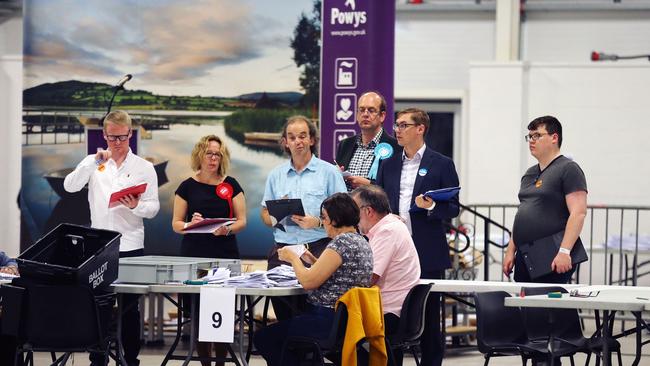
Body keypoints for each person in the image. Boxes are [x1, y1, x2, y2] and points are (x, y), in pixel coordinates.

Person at [64, 110, 160, 366]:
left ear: (130, 134)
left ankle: (130, 360)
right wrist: (91, 162)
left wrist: (134, 206)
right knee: (98, 308)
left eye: (122, 137)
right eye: (111, 137)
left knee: (130, 311)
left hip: (131, 246)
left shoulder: (144, 167)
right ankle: (98, 360)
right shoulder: (94, 163)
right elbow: (70, 186)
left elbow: (153, 208)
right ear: (104, 135)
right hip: (99, 248)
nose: (117, 143)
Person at [376, 107, 460, 366]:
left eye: (403, 125)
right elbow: (378, 203)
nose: (397, 130)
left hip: (427, 249)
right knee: (393, 314)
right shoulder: (388, 163)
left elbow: (454, 207)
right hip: (394, 251)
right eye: (397, 125)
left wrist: (432, 206)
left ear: (420, 129)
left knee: (430, 315)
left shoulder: (441, 163)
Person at [254, 193, 373, 366]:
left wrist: (293, 258)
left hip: (328, 319)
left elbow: (309, 282)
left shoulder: (340, 243)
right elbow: (341, 275)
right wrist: (313, 261)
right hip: (347, 319)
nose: (322, 222)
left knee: (264, 338)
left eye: (324, 218)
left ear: (334, 219)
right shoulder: (360, 241)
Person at [261, 115, 347, 320]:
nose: (297, 141)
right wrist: (276, 215)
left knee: (314, 314)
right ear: (285, 142)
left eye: (302, 136)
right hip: (282, 251)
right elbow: (264, 215)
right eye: (292, 137)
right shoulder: (276, 175)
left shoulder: (329, 173)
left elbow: (345, 215)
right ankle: (290, 352)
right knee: (284, 316)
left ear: (312, 140)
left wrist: (317, 221)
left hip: (318, 249)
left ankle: (312, 352)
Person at [172, 134, 246, 366]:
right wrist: (189, 225)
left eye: (217, 154)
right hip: (195, 257)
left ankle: (221, 363)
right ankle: (205, 363)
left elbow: (242, 221)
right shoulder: (186, 186)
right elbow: (176, 224)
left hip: (224, 256)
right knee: (199, 315)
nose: (213, 158)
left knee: (222, 313)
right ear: (200, 155)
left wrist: (228, 230)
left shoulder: (231, 184)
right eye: (209, 153)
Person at [503, 116, 588, 284]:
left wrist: (564, 251)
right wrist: (510, 250)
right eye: (529, 137)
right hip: (525, 255)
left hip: (552, 254)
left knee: (550, 309)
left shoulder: (568, 169)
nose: (531, 141)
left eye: (537, 135)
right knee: (526, 308)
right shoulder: (529, 173)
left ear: (554, 138)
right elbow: (523, 213)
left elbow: (578, 213)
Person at [351, 185, 421, 366]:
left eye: (353, 211)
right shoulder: (390, 226)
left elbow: (368, 278)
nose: (352, 218)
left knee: (331, 330)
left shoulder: (386, 231)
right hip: (394, 310)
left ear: (368, 211)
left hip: (387, 313)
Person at [335, 91, 399, 191]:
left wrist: (370, 185)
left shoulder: (396, 147)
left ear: (382, 116)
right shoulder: (345, 144)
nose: (365, 114)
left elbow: (396, 188)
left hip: (376, 205)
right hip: (345, 205)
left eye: (371, 110)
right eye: (361, 110)